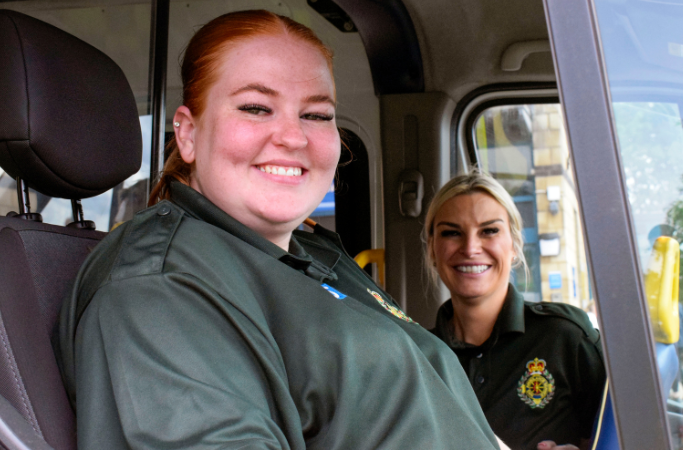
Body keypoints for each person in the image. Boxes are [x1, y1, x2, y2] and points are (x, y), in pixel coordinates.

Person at [57, 10, 501, 449]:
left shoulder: (310, 256)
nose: (293, 137)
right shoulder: (156, 292)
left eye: (316, 115)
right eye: (256, 108)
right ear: (188, 134)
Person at [424, 171, 606, 450]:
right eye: (451, 233)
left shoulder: (565, 337)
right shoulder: (416, 356)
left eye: (489, 231)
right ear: (433, 250)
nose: (471, 248)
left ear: (514, 245)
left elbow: (626, 434)